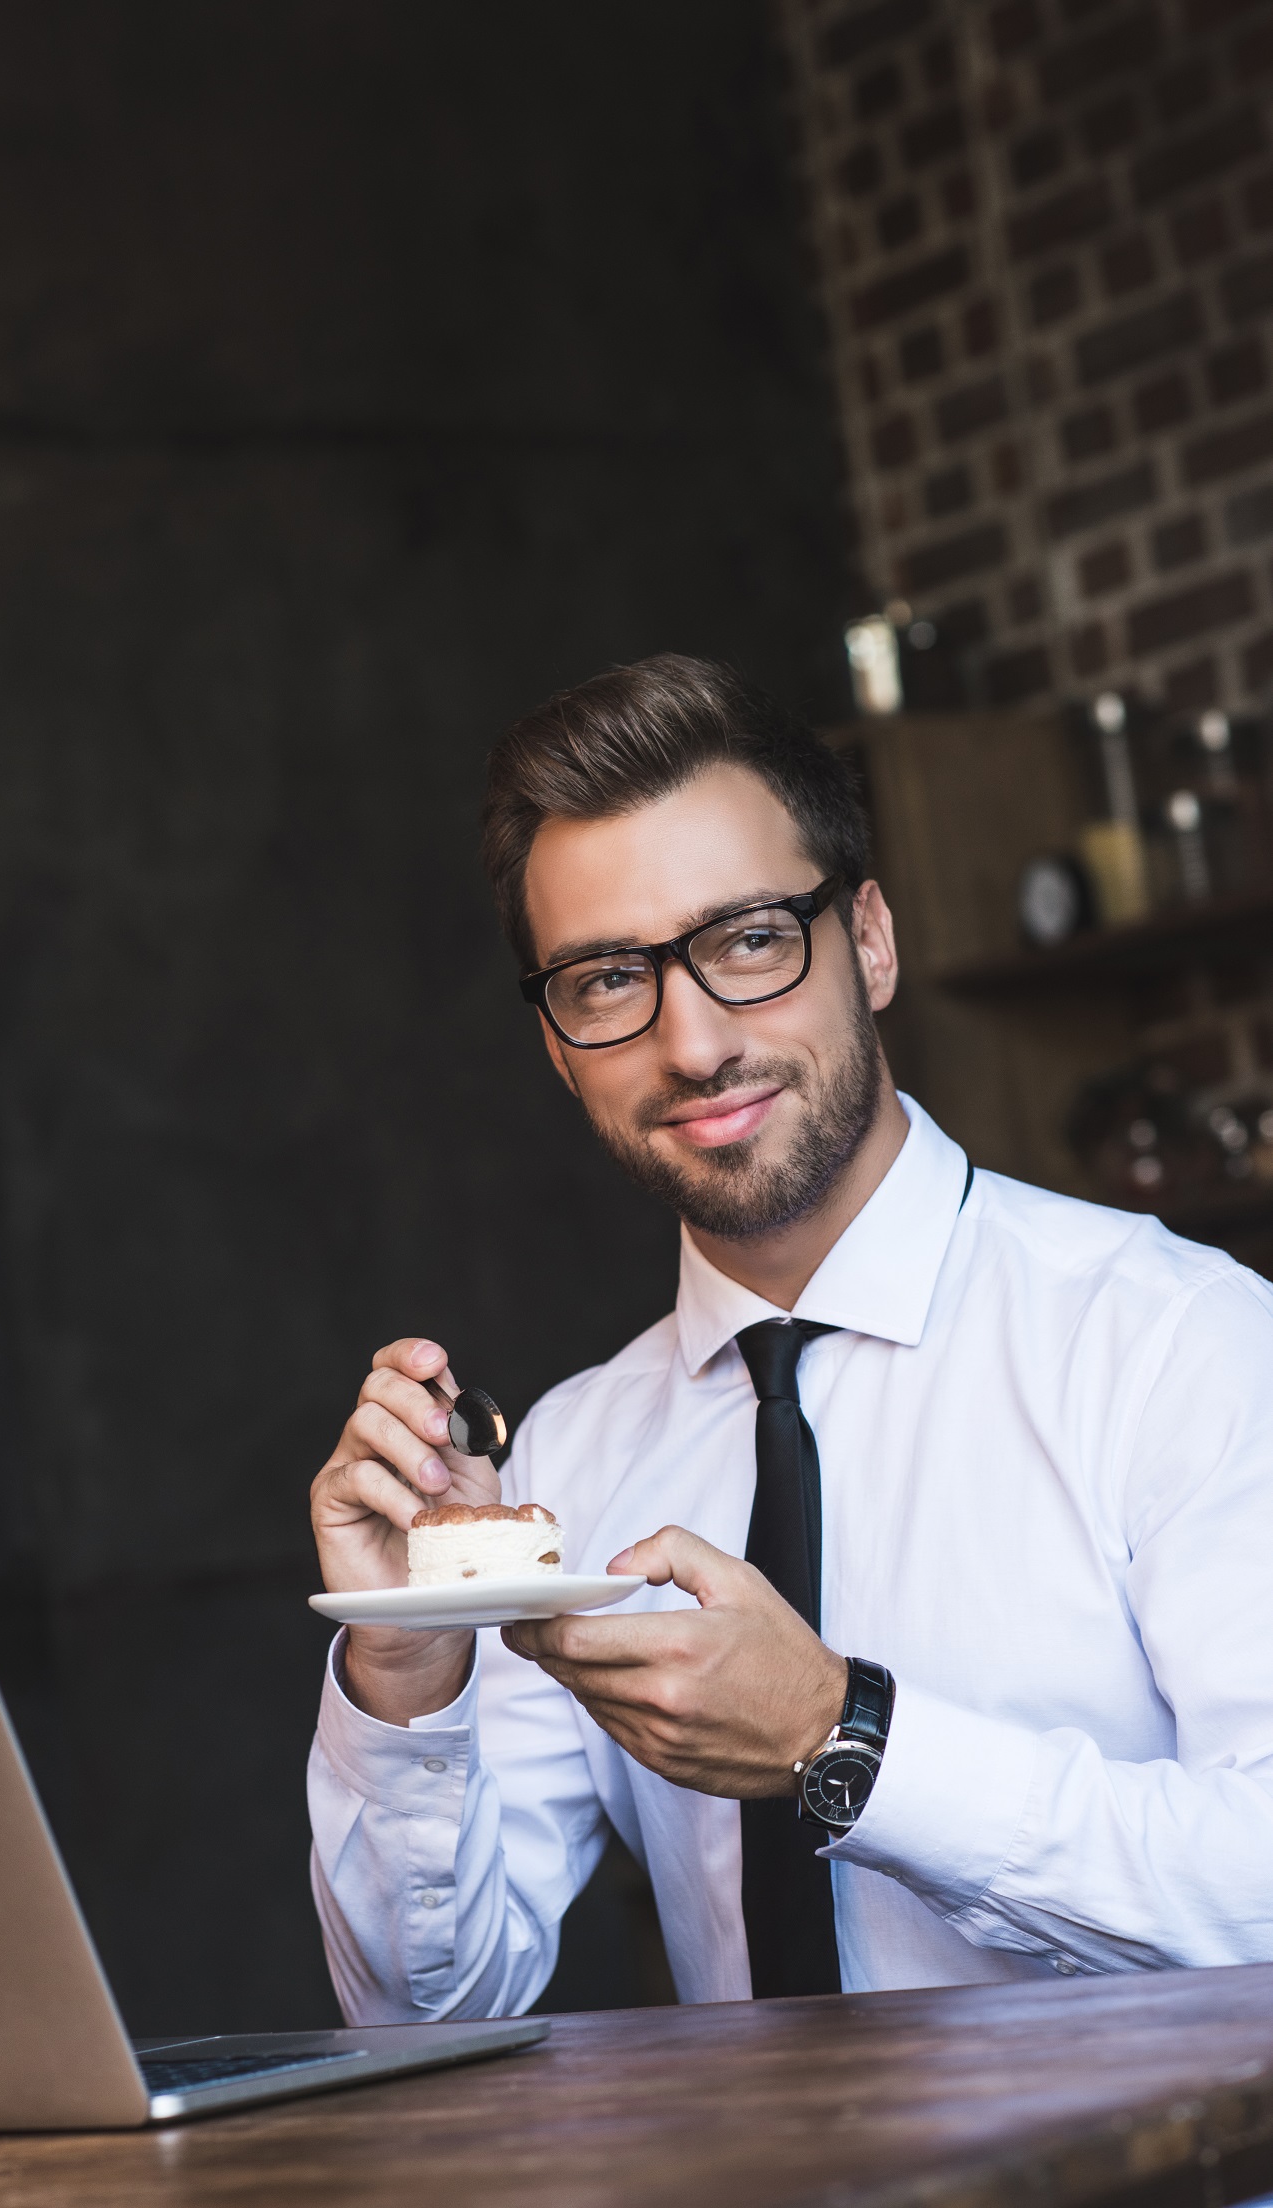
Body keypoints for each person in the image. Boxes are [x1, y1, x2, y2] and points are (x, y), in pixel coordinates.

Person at [307, 653, 1273, 2021]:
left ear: (868, 941)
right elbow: (425, 2015)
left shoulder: (1176, 1343)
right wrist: (407, 1663)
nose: (691, 1042)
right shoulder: (572, 1459)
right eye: (603, 980)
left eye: (749, 938)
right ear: (553, 1041)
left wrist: (843, 1737)